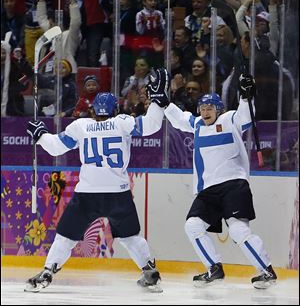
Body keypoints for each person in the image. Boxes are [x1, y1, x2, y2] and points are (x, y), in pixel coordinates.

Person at [25, 68, 170, 293]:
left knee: (65, 237)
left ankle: (47, 271)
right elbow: (152, 125)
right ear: (115, 109)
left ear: (94, 110)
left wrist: (40, 135)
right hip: (118, 193)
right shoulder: (123, 122)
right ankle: (149, 271)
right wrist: (159, 101)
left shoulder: (81, 126)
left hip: (88, 194)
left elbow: (54, 147)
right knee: (130, 237)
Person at [148, 72, 277, 289]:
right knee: (193, 226)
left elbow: (246, 117)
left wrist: (246, 96)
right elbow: (180, 119)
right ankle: (214, 268)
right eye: (203, 108)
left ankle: (266, 271)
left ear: (219, 110)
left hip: (234, 184)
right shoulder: (198, 124)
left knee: (238, 230)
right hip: (208, 190)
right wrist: (164, 102)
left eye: (210, 108)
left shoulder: (229, 120)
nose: (206, 112)